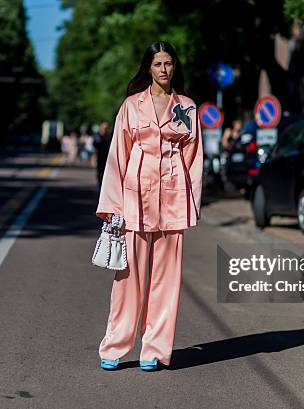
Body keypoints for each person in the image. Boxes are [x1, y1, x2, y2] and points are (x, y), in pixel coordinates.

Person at [96, 41, 203, 372]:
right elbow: (117, 156)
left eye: (169, 63)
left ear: (175, 66)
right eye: (158, 64)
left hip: (172, 201)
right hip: (135, 200)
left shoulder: (186, 107)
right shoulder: (131, 106)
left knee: (166, 282)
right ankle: (115, 345)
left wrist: (191, 204)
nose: (164, 70)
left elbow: (194, 158)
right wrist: (113, 208)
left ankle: (154, 350)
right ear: (148, 68)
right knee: (128, 279)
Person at [93, 121, 112, 189]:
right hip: (100, 157)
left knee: (108, 173)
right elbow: (95, 145)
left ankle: (106, 187)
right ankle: (100, 185)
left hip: (108, 158)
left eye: (106, 128)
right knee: (100, 172)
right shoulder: (98, 136)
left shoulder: (110, 136)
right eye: (103, 128)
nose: (105, 129)